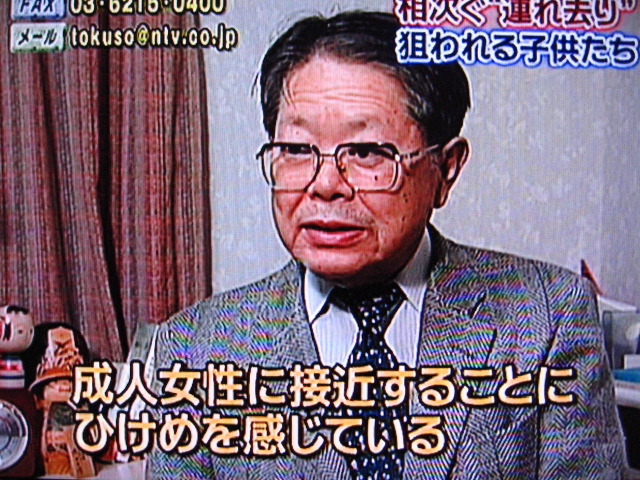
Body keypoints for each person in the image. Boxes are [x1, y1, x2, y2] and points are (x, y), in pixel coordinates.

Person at [148, 11, 626, 480]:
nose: (325, 185)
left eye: (366, 152)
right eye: (296, 150)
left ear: (446, 169)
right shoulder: (193, 348)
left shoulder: (549, 316)